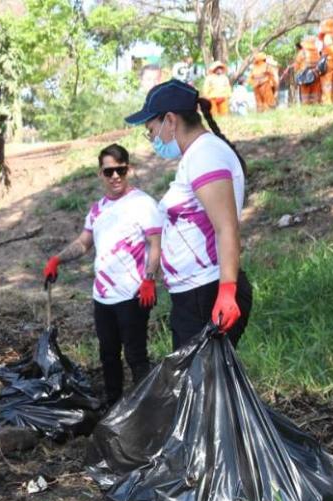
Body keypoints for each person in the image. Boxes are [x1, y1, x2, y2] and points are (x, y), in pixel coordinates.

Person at [124, 79, 253, 349]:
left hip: (205, 294)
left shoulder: (205, 155)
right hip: (194, 295)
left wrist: (227, 291)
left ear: (170, 120)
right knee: (202, 386)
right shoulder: (197, 155)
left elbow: (226, 227)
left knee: (201, 387)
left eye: (151, 130)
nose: (152, 139)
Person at [42, 144, 164, 405]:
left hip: (133, 294)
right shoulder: (98, 209)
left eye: (120, 169)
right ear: (101, 174)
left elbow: (156, 243)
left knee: (136, 355)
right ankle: (113, 404)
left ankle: (146, 408)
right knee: (108, 354)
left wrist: (149, 279)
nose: (115, 176)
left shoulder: (143, 203)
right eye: (109, 171)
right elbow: (84, 242)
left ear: (128, 169)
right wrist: (57, 259)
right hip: (103, 297)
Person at [294, 36, 323, 105]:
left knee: (305, 96)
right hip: (316, 75)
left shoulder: (301, 53)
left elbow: (296, 67)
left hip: (305, 77)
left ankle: (306, 109)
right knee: (315, 95)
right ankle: (316, 109)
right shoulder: (316, 52)